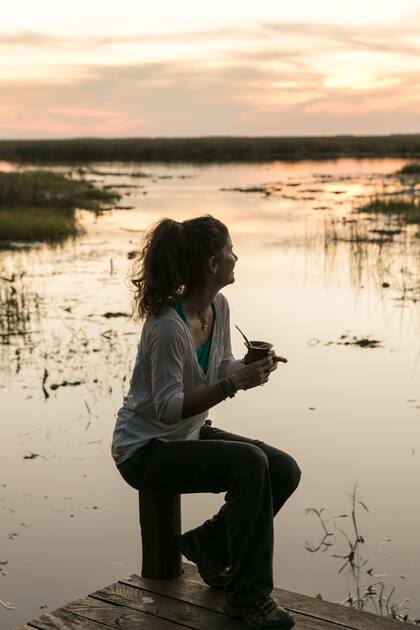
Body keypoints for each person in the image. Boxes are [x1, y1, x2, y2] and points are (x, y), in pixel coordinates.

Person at [111, 215, 301, 630]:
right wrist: (233, 385)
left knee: (283, 468)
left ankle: (207, 546)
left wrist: (248, 367)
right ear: (212, 264)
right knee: (250, 463)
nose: (236, 256)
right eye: (230, 250)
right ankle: (248, 599)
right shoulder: (166, 327)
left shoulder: (218, 307)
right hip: (144, 451)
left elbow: (216, 369)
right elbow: (166, 408)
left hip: (186, 434)